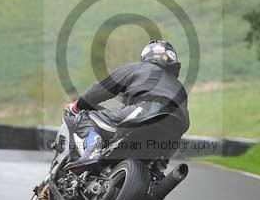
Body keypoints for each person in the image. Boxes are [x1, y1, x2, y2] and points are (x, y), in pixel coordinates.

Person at [65, 39, 190, 172]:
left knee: (85, 117)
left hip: (144, 112)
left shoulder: (137, 68)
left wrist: (77, 105)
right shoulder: (179, 87)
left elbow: (99, 91)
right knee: (155, 169)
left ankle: (92, 151)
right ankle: (156, 173)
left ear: (146, 55)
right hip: (176, 128)